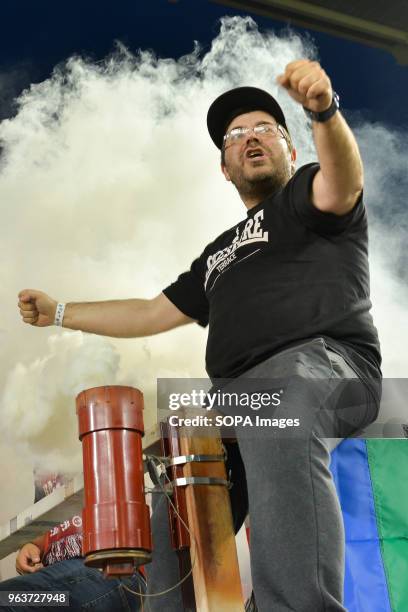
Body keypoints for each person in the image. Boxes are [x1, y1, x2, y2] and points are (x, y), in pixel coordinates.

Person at [17, 59, 382, 611]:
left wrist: (324, 112)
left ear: (291, 150)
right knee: (176, 492)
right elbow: (147, 312)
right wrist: (61, 311)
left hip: (325, 367)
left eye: (265, 129)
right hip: (235, 399)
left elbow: (345, 179)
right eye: (236, 136)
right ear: (224, 168)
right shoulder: (215, 256)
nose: (250, 138)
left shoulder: (310, 196)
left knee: (277, 400)